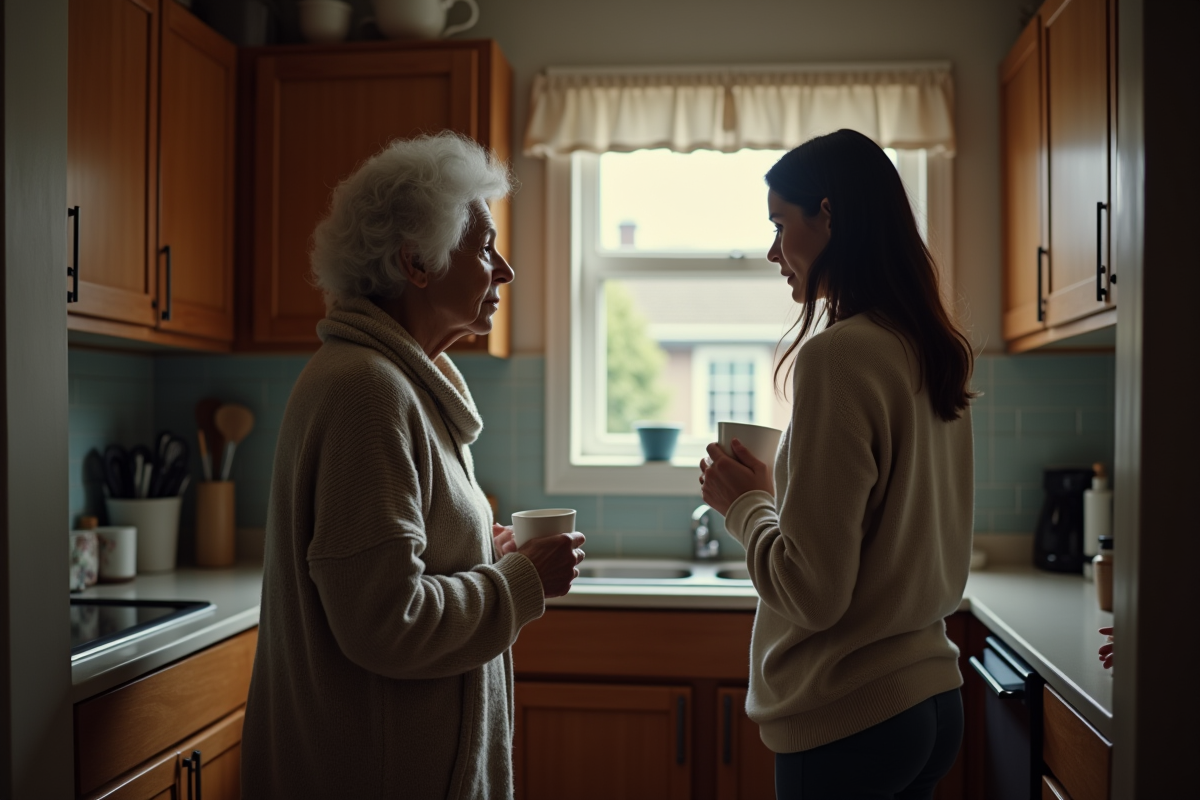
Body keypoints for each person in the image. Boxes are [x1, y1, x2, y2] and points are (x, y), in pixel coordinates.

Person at [241, 132, 585, 799]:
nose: (504, 270)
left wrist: (487, 552)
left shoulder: (398, 383)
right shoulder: (368, 393)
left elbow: (397, 559)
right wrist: (517, 584)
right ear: (416, 262)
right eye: (485, 247)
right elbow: (385, 622)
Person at [699, 129, 976, 800]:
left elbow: (813, 593)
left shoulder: (837, 357)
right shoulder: (929, 346)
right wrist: (772, 495)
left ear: (828, 214)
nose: (773, 252)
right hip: (932, 699)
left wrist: (743, 506)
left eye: (780, 224)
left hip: (851, 717)